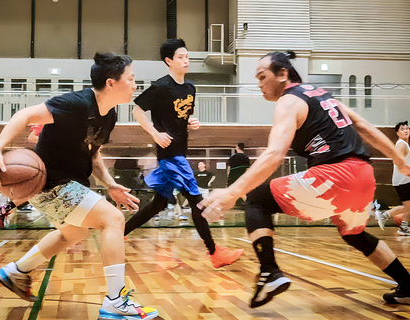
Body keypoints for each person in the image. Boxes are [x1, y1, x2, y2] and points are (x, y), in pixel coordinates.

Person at [200, 51, 410, 308]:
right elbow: (364, 126)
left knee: (256, 198)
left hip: (334, 176)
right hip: (364, 177)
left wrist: (231, 192)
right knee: (354, 234)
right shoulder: (321, 94)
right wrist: (400, 162)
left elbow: (275, 153)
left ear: (283, 74)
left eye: (262, 76)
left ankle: (269, 273)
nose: (259, 83)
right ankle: (408, 285)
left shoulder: (289, 101)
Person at [0, 52, 158, 319]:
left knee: (74, 234)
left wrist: (111, 185)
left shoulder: (109, 116)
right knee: (113, 219)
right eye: (132, 78)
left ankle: (17, 271)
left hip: (64, 185)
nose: (136, 85)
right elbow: (24, 115)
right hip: (51, 183)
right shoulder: (76, 103)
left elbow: (93, 153)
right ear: (112, 83)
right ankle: (116, 300)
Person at [123, 38, 243, 268]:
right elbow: (137, 110)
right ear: (169, 61)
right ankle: (214, 252)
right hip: (171, 155)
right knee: (198, 202)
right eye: (181, 56)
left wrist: (190, 122)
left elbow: (180, 117)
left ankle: (121, 232)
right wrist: (155, 134)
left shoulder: (190, 88)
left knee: (158, 204)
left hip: (180, 151)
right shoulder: (160, 87)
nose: (186, 60)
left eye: (187, 56)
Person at [375, 121, 410, 236]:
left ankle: (404, 227)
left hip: (404, 179)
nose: (406, 130)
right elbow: (395, 160)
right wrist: (406, 171)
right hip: (403, 180)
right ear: (397, 133)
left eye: (407, 128)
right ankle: (384, 215)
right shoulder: (402, 144)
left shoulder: (404, 144)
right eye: (402, 129)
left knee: (408, 205)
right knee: (407, 206)